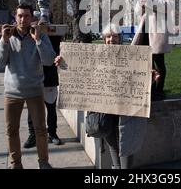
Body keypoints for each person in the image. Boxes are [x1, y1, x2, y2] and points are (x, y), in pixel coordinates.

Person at [54, 24, 153, 169]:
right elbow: (78, 72)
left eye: (115, 36)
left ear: (120, 38)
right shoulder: (96, 56)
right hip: (104, 110)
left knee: (126, 143)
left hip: (126, 112)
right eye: (108, 36)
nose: (111, 39)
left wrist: (151, 76)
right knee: (112, 143)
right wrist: (62, 63)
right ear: (104, 39)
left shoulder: (132, 55)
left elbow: (140, 76)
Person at [0, 4, 56, 169]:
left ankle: (43, 162)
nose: (23, 19)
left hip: (34, 90)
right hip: (12, 92)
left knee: (41, 129)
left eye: (26, 16)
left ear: (32, 18)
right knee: (11, 130)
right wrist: (4, 41)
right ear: (15, 17)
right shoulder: (8, 35)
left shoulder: (39, 35)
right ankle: (16, 163)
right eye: (20, 16)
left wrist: (38, 41)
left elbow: (49, 60)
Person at [132, 0, 175, 101]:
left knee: (158, 60)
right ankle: (148, 89)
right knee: (144, 59)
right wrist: (141, 5)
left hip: (157, 27)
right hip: (145, 25)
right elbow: (138, 9)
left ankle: (159, 90)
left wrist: (151, 3)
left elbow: (169, 4)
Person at [24, 34, 62, 148]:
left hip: (49, 78)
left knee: (51, 108)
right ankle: (33, 135)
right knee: (31, 110)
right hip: (34, 79)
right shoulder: (28, 35)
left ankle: (52, 133)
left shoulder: (55, 36)